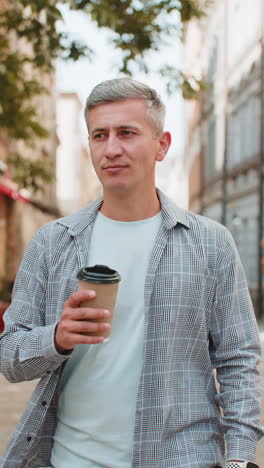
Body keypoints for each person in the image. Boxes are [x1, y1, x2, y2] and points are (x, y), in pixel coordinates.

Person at [0, 78, 263, 468]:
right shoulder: (52, 243)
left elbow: (238, 360)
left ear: (162, 144)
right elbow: (9, 358)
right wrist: (55, 337)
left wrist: (240, 459)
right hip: (69, 461)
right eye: (99, 135)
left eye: (127, 133)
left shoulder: (211, 243)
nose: (112, 149)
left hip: (182, 460)